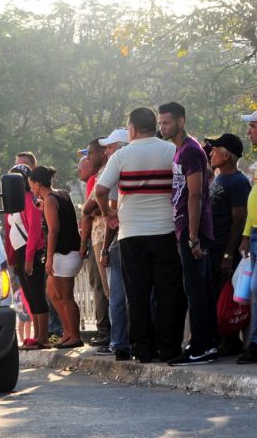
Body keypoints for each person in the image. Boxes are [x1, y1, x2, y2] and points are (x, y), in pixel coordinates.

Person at [96, 107, 186, 363]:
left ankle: (142, 349)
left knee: (137, 294)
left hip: (131, 234)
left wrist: (107, 216)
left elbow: (101, 191)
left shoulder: (122, 156)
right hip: (166, 231)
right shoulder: (171, 151)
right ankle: (168, 348)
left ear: (132, 129)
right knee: (168, 292)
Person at [158, 102, 216, 366]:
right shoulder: (180, 150)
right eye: (160, 122)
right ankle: (202, 342)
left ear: (180, 122)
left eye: (167, 122)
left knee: (196, 289)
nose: (163, 127)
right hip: (183, 226)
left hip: (194, 229)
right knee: (194, 287)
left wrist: (193, 236)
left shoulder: (191, 151)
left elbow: (195, 194)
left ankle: (202, 346)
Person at [82, 128, 131, 360]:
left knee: (115, 294)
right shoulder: (113, 169)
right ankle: (119, 340)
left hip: (113, 239)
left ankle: (119, 339)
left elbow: (93, 207)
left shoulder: (113, 171)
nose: (106, 151)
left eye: (110, 147)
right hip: (112, 238)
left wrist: (103, 248)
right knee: (115, 293)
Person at [205, 133, 250, 356]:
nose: (211, 154)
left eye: (214, 150)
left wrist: (228, 254)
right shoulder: (219, 177)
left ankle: (230, 340)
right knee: (214, 295)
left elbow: (239, 220)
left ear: (226, 154)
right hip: (212, 249)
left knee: (227, 297)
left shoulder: (239, 182)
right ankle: (220, 338)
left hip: (225, 250)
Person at [28, 166, 84, 349]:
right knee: (52, 293)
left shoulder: (51, 199)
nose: (30, 188)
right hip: (68, 252)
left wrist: (49, 257)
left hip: (63, 253)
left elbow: (53, 230)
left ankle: (74, 334)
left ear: (37, 184)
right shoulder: (61, 194)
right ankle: (67, 332)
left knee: (66, 296)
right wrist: (43, 207)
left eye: (31, 184)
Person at [4, 165, 49, 349]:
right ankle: (36, 336)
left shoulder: (29, 200)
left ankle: (42, 338)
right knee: (29, 296)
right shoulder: (14, 202)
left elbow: (34, 232)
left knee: (37, 293)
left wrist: (29, 258)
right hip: (21, 254)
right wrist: (12, 259)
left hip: (31, 252)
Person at [79, 138, 111, 347]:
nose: (87, 160)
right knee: (103, 287)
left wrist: (83, 243)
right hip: (99, 237)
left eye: (90, 154)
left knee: (104, 288)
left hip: (102, 237)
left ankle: (108, 333)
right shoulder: (98, 175)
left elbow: (90, 210)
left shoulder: (103, 175)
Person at [238, 110, 257, 364]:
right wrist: (246, 234)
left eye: (252, 127)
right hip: (254, 234)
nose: (249, 131)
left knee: (254, 287)